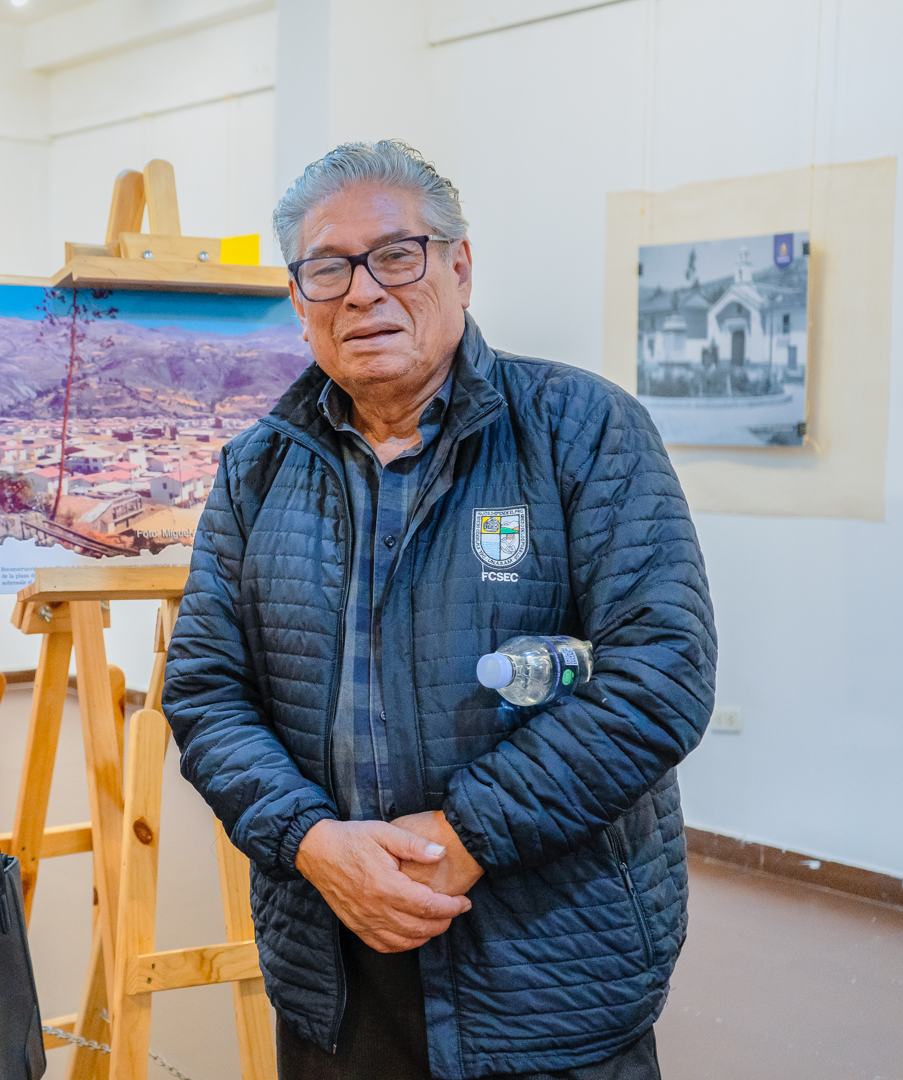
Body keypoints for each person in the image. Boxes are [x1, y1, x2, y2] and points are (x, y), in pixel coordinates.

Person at [164, 140, 717, 1079]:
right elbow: (206, 690)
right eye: (326, 269)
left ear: (459, 266)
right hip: (330, 961)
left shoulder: (582, 428)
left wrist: (468, 835)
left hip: (549, 967)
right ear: (299, 301)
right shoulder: (255, 470)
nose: (363, 292)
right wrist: (310, 841)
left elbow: (661, 674)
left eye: (397, 254)